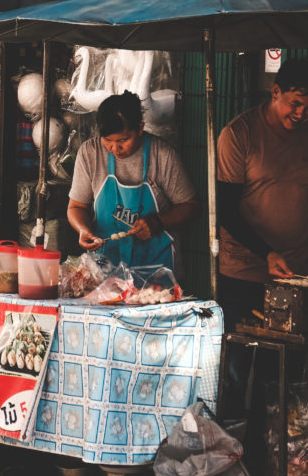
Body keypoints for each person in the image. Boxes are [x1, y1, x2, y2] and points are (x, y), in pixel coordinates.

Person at [217, 58, 308, 330]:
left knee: (291, 362)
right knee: (244, 360)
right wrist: (265, 253)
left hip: (296, 272)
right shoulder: (238, 134)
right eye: (296, 102)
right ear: (275, 92)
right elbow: (226, 209)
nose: (302, 113)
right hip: (245, 271)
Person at [67, 90, 200, 271]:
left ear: (140, 128)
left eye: (123, 140)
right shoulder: (90, 152)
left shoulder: (162, 155)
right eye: (107, 140)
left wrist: (158, 222)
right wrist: (83, 229)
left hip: (157, 270)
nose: (115, 148)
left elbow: (192, 207)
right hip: (105, 270)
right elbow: (76, 207)